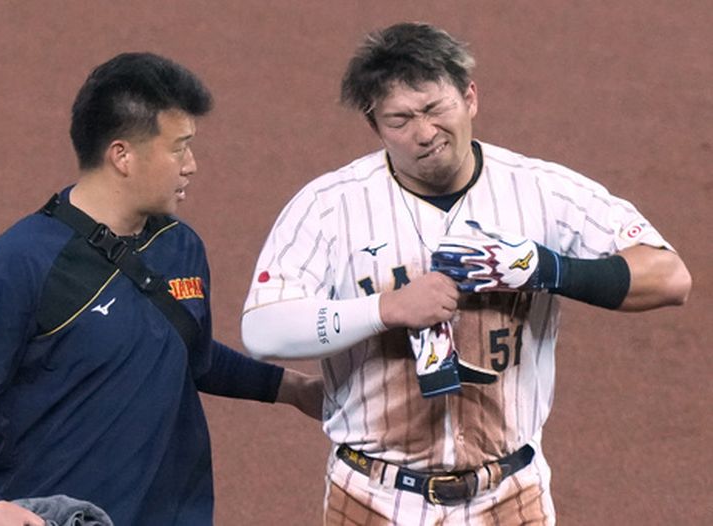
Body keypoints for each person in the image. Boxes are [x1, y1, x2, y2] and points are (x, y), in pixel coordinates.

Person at [241, 22, 692, 525]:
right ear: (375, 125)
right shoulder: (329, 207)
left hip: (509, 496)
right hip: (372, 497)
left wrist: (545, 268)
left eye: (436, 109)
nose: (424, 132)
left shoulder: (540, 191)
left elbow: (670, 277)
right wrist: (385, 309)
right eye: (400, 119)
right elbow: (263, 329)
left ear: (470, 97)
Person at [0, 52, 322, 526]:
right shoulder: (23, 260)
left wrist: (293, 389)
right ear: (122, 155)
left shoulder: (179, 247)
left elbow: (192, 356)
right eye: (179, 148)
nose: (192, 165)